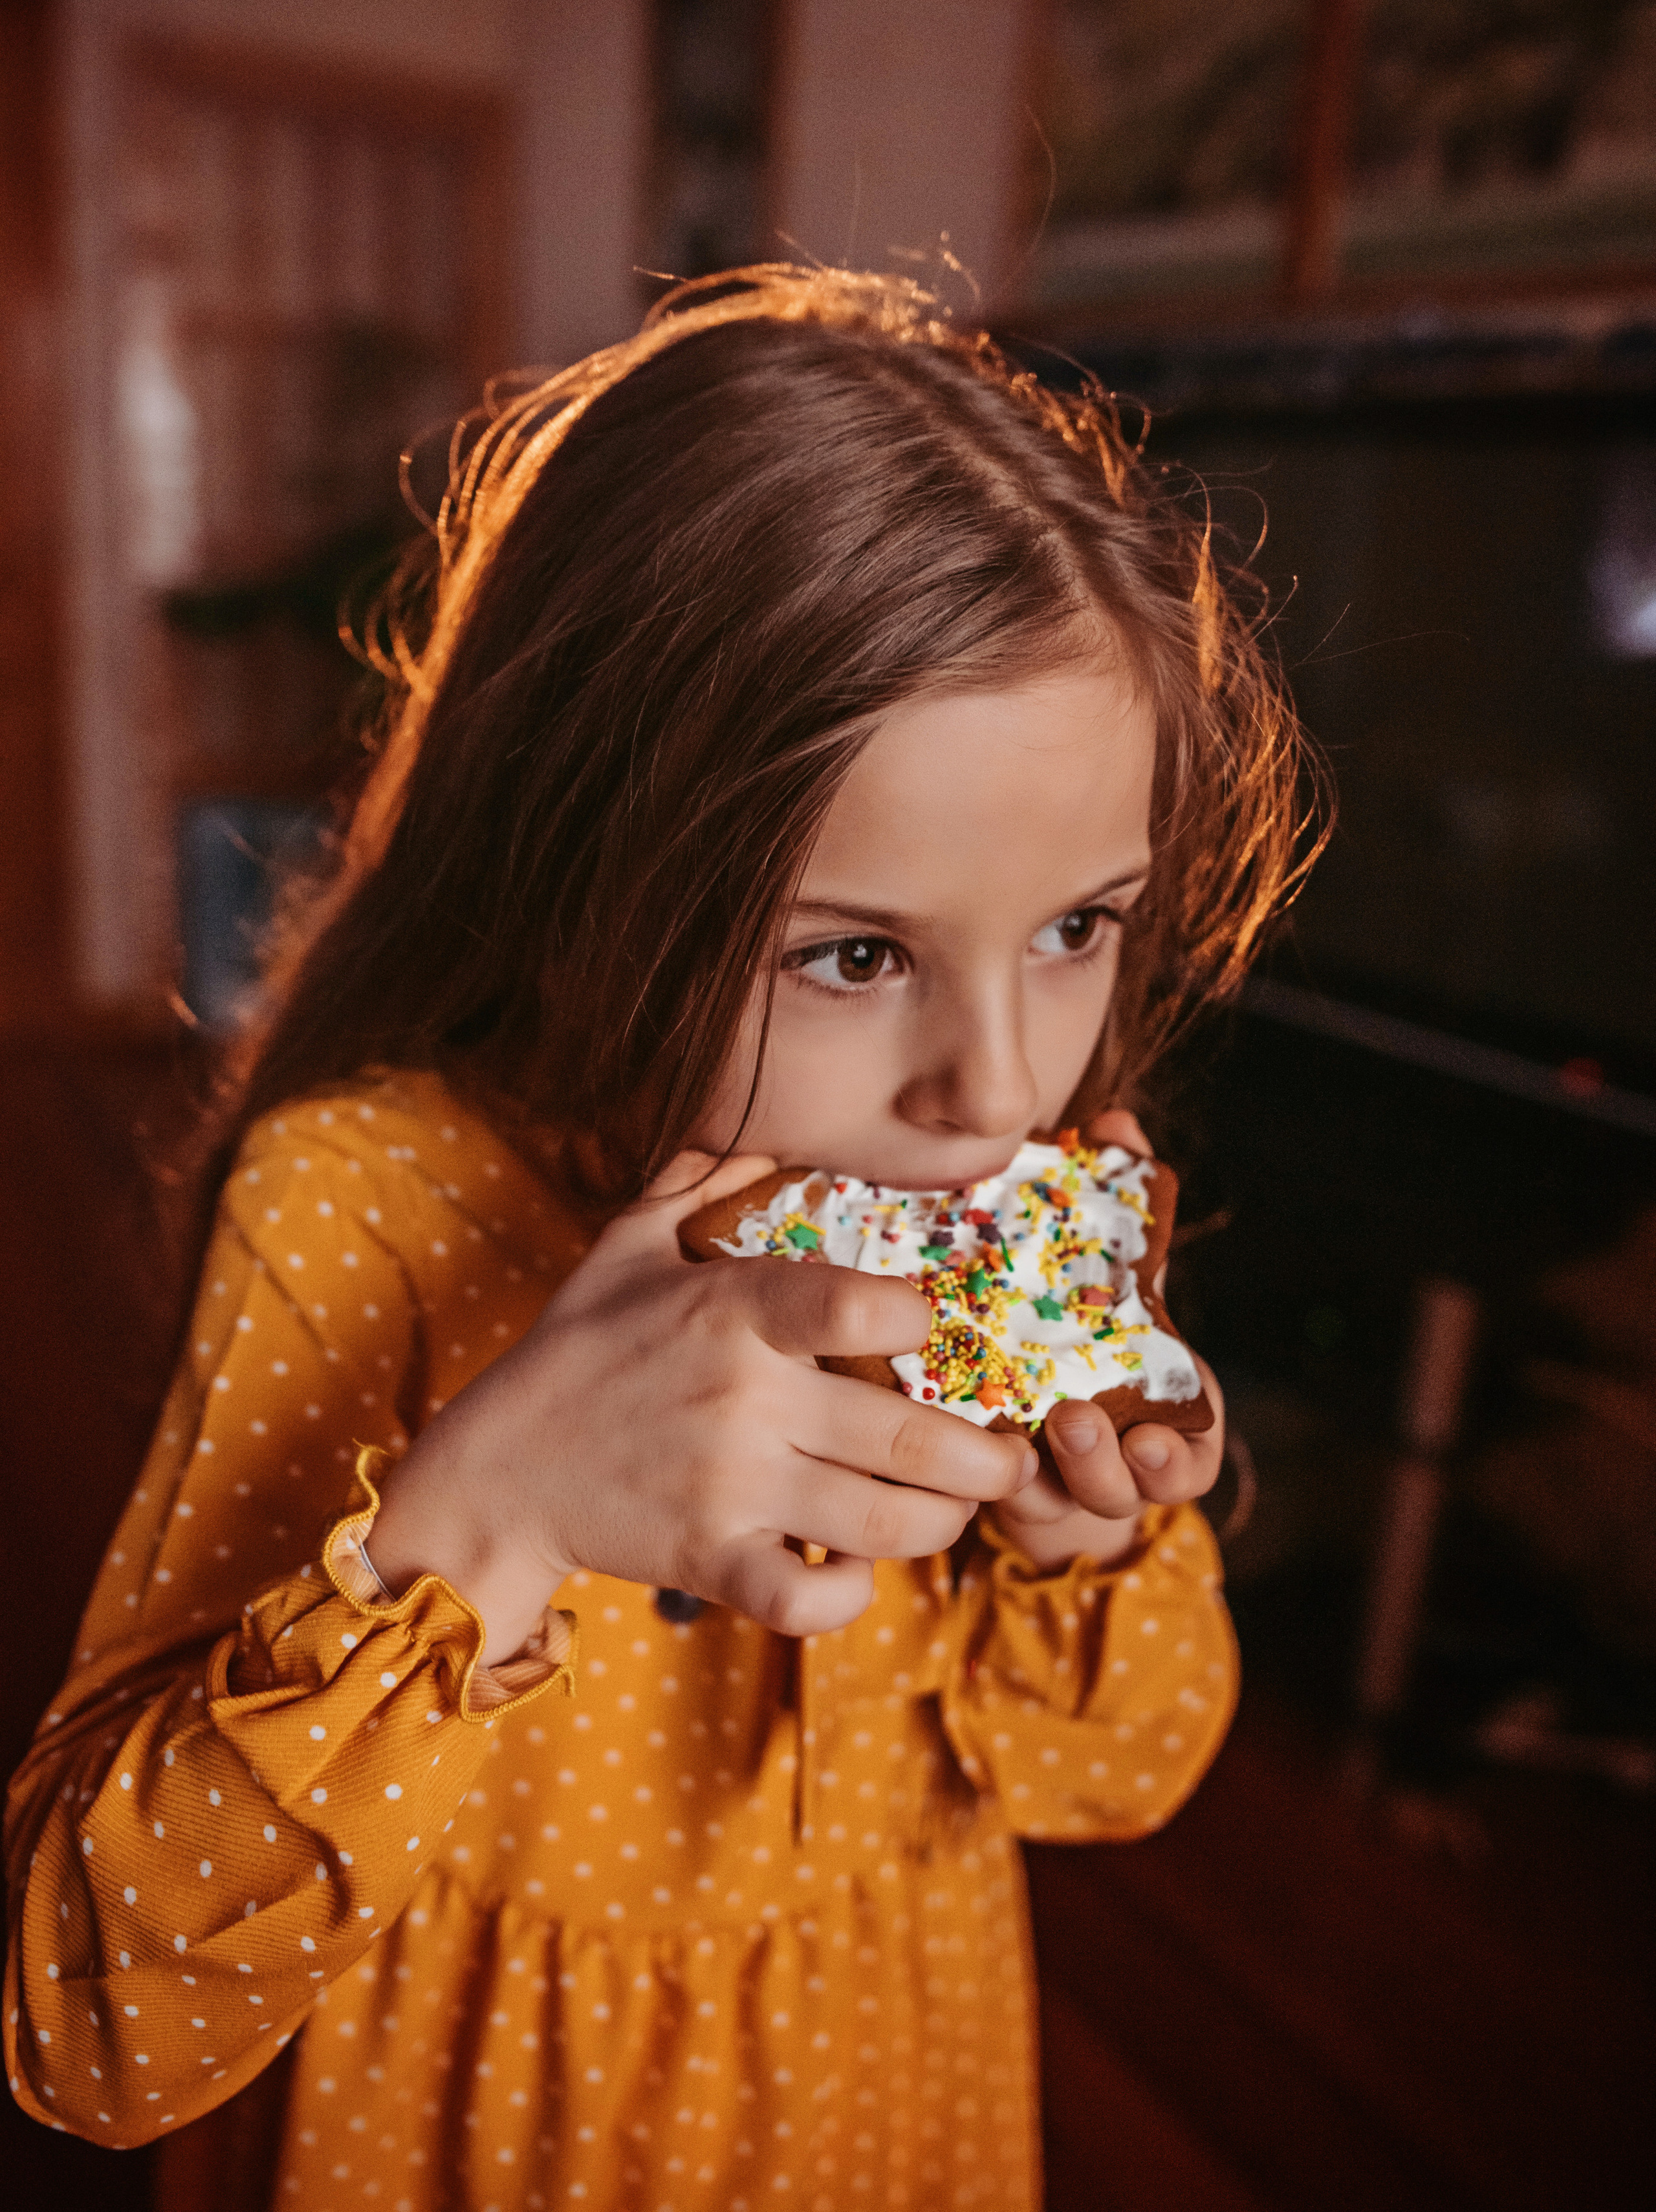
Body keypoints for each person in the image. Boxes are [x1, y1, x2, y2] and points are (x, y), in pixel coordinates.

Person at [5, 268, 1311, 2212]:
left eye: (1076, 925)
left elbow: (1106, 1774)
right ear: (586, 865)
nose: (1001, 1082)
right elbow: (85, 2026)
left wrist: (1086, 1541)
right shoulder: (359, 1205)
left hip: (886, 2081)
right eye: (858, 952)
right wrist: (493, 1518)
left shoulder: (1011, 1201)